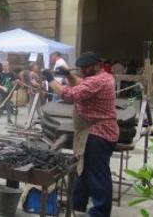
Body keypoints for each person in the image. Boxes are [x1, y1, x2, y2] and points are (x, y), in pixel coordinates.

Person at [43, 52, 117, 217]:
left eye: (86, 67)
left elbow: (70, 95)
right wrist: (69, 74)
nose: (83, 70)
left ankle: (100, 212)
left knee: (98, 174)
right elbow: (80, 83)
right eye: (81, 68)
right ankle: (78, 204)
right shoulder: (101, 77)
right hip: (92, 130)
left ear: (97, 65)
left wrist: (50, 79)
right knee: (83, 170)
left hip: (98, 133)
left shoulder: (99, 80)